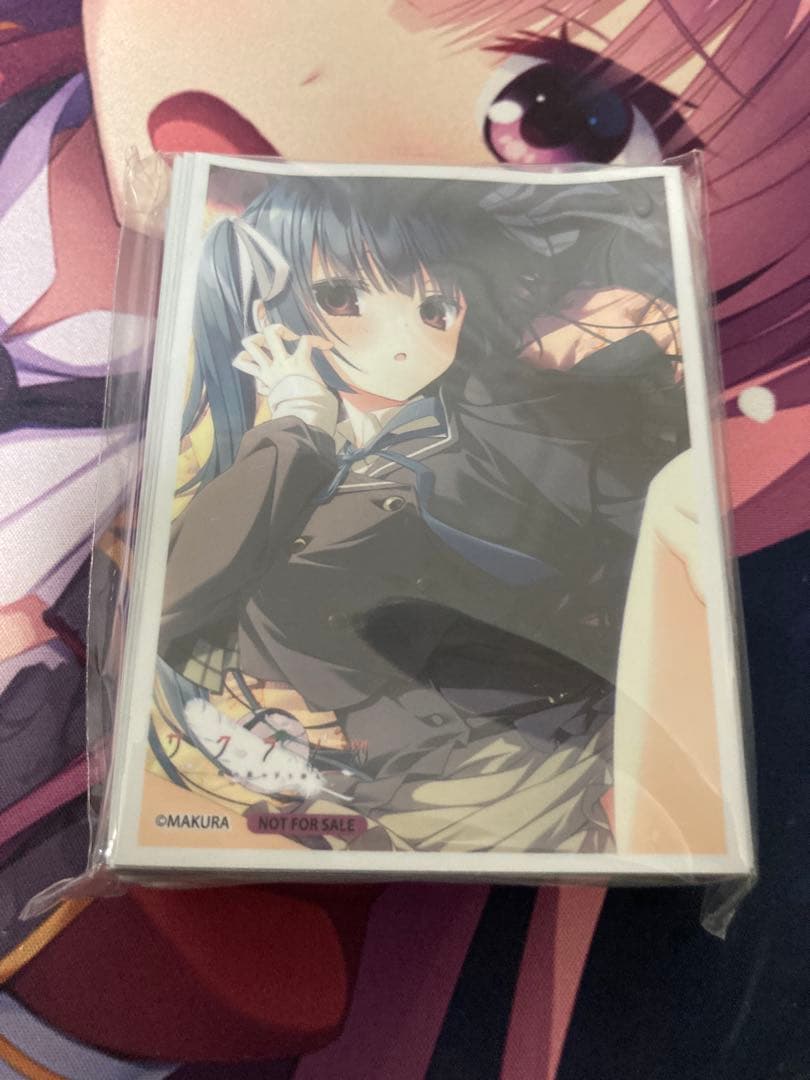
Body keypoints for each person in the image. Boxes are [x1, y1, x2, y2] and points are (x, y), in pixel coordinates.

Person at [154, 174, 687, 853]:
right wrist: (299, 424)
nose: (407, 340)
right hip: (391, 808)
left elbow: (630, 511)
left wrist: (634, 337)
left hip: (526, 779)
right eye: (342, 298)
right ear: (267, 316)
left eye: (435, 307)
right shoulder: (283, 455)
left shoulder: (489, 422)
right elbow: (171, 597)